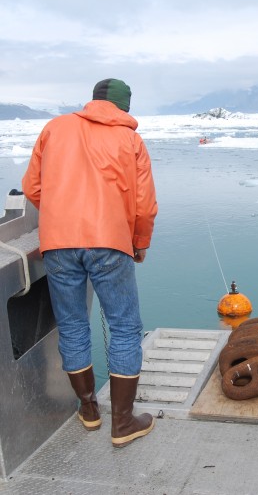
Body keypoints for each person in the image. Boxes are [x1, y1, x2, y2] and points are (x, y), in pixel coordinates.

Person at [22, 78, 158, 448]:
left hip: (58, 243)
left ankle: (89, 410)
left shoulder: (55, 128)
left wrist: (60, 215)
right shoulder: (130, 139)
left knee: (72, 326)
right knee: (125, 328)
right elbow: (144, 205)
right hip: (110, 242)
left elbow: (32, 186)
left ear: (93, 100)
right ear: (124, 107)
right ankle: (123, 422)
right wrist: (139, 243)